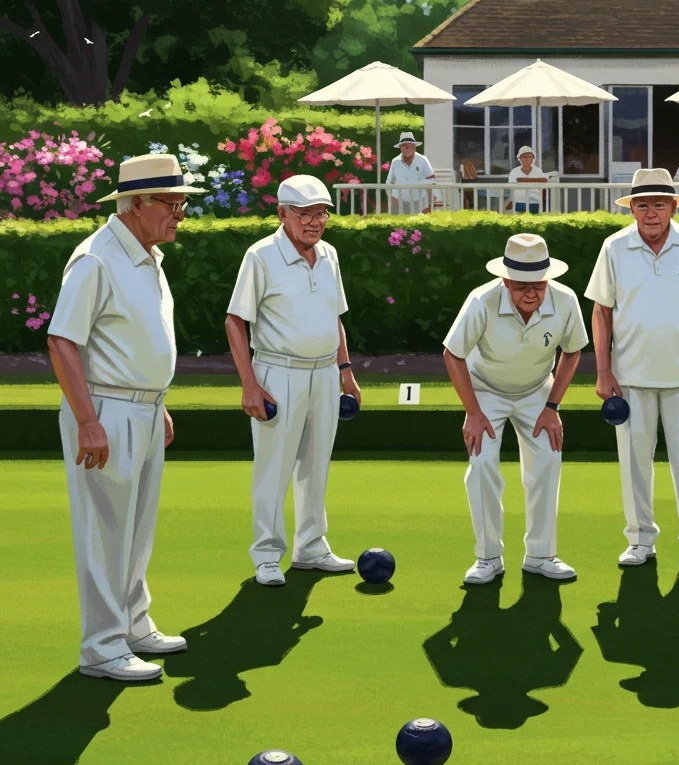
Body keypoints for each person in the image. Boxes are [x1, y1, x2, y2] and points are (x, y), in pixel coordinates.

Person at [46, 153, 206, 681]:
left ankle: (134, 625)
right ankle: (102, 647)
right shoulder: (96, 259)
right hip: (106, 411)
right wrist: (88, 421)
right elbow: (62, 340)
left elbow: (133, 338)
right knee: (105, 531)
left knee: (137, 528)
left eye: (182, 204)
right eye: (171, 203)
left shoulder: (148, 255)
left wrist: (156, 402)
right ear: (135, 204)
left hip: (143, 409)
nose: (179, 214)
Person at [585, 168, 679, 570]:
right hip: (630, 375)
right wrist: (603, 372)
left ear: (672, 208)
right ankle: (639, 540)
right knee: (634, 465)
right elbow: (601, 311)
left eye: (659, 205)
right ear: (631, 209)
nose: (651, 213)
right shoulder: (614, 247)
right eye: (643, 205)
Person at [225, 175, 361, 587]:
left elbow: (334, 317)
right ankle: (267, 554)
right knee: (274, 467)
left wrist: (346, 371)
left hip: (325, 373)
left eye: (321, 213)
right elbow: (234, 320)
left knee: (316, 466)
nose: (314, 222)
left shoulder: (330, 255)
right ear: (282, 213)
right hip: (278, 373)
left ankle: (311, 547)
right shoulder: (261, 256)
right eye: (304, 214)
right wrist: (250, 384)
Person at [443, 234, 590, 585]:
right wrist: (473, 412)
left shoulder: (565, 300)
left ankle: (541, 555)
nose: (531, 294)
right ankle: (488, 558)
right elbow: (453, 354)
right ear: (506, 281)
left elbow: (572, 352)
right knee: (481, 464)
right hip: (485, 390)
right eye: (522, 285)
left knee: (548, 459)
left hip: (537, 390)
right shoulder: (481, 301)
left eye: (538, 285)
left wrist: (552, 406)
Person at [386, 131, 436, 215]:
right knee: (398, 222)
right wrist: (392, 198)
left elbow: (432, 180)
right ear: (401, 147)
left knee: (417, 221)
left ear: (415, 147)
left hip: (418, 200)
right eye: (405, 146)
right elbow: (389, 182)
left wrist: (430, 204)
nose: (408, 149)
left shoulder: (422, 160)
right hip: (399, 200)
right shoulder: (395, 161)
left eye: (411, 147)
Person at [507, 145, 547, 214]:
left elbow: (544, 183)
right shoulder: (514, 171)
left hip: (535, 201)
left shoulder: (538, 170)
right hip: (519, 201)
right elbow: (511, 187)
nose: (527, 159)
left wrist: (524, 181)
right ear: (520, 158)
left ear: (532, 159)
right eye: (524, 157)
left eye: (529, 157)